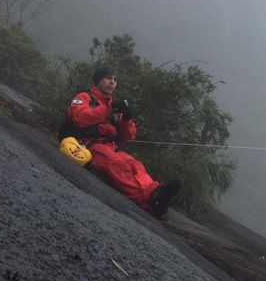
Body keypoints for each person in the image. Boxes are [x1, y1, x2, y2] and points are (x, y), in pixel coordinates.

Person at [64, 66, 181, 220]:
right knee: (116, 164)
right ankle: (149, 204)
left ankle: (155, 192)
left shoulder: (115, 105)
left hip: (111, 147)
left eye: (115, 79)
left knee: (135, 164)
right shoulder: (85, 97)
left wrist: (127, 119)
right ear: (99, 80)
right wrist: (107, 109)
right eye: (108, 78)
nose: (112, 82)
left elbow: (127, 137)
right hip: (88, 144)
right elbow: (79, 118)